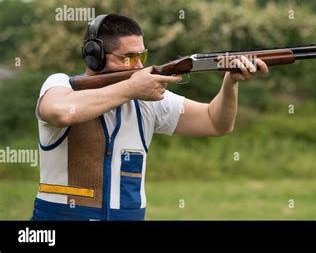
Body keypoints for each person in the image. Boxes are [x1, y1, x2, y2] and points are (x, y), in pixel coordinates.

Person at [31, 13, 268, 220]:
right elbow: (60, 111)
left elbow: (216, 122)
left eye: (141, 57)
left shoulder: (147, 100)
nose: (137, 68)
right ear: (95, 56)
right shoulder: (61, 85)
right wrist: (131, 89)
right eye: (128, 58)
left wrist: (231, 82)